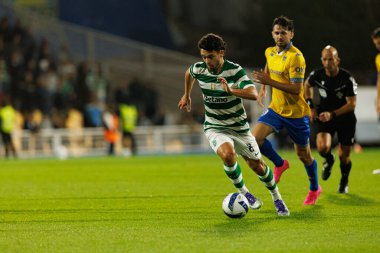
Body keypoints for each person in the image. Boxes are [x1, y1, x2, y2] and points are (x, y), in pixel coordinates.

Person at [178, 33, 289, 216]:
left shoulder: (234, 70)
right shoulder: (199, 69)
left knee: (258, 167)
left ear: (221, 53)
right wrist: (186, 95)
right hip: (215, 126)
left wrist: (231, 90)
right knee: (228, 156)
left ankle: (277, 197)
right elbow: (189, 73)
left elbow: (253, 94)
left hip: (239, 128)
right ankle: (245, 193)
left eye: (210, 56)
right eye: (204, 56)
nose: (207, 61)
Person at [251, 16, 321, 205]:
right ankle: (280, 164)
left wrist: (269, 82)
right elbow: (269, 64)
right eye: (277, 32)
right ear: (272, 34)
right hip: (276, 109)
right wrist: (264, 87)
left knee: (304, 155)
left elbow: (296, 89)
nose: (280, 36)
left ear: (291, 34)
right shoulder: (270, 51)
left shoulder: (296, 57)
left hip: (296, 114)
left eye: (283, 32)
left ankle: (315, 188)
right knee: (254, 139)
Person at [304, 45, 358, 194]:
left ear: (337, 60)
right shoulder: (317, 75)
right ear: (322, 60)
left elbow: (352, 104)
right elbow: (306, 85)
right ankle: (328, 159)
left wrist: (332, 114)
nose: (328, 62)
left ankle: (344, 182)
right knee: (322, 148)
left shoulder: (347, 78)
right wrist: (311, 106)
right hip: (324, 116)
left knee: (344, 156)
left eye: (331, 59)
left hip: (345, 118)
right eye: (325, 59)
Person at [372, 27, 380, 120]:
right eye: (376, 44)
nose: (377, 46)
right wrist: (378, 100)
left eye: (379, 43)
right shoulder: (378, 58)